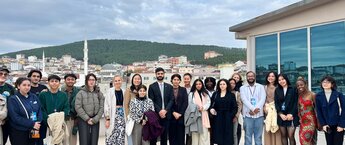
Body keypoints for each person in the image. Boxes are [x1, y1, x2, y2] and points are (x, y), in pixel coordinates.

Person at [8, 77, 42, 145]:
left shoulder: (34, 96)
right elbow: (15, 117)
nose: (27, 87)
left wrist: (38, 122)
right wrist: (32, 124)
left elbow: (39, 110)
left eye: (29, 85)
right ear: (18, 86)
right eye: (24, 85)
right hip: (19, 131)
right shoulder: (13, 99)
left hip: (34, 129)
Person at [39, 75, 70, 144]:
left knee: (59, 141)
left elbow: (66, 108)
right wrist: (48, 120)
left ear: (59, 83)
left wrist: (60, 119)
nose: (54, 83)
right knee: (47, 141)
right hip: (46, 123)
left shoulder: (63, 95)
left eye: (56, 81)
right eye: (52, 81)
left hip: (60, 123)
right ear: (48, 83)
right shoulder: (43, 94)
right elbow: (41, 109)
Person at [75, 73, 105, 145]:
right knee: (84, 141)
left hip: (95, 119)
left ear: (95, 81)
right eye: (89, 80)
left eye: (93, 80)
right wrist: (87, 119)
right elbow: (78, 107)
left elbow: (102, 107)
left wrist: (95, 119)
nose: (91, 81)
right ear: (86, 81)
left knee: (94, 141)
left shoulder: (99, 93)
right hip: (83, 120)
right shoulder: (81, 93)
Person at [316, 76, 345, 145]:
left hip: (338, 125)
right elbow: (319, 112)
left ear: (332, 84)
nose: (325, 83)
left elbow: (344, 110)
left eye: (328, 82)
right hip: (327, 125)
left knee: (338, 143)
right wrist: (323, 124)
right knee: (329, 143)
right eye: (324, 82)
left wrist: (342, 125)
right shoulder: (319, 96)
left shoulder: (338, 95)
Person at [148, 67, 174, 145]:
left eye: (161, 74)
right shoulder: (152, 86)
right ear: (155, 75)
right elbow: (151, 101)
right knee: (154, 137)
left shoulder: (169, 86)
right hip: (156, 115)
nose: (160, 75)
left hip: (166, 115)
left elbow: (171, 100)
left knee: (164, 137)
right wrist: (159, 111)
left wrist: (165, 110)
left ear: (164, 75)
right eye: (158, 74)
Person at [240, 71, 266, 145]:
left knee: (258, 136)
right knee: (248, 136)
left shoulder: (261, 87)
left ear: (254, 77)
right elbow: (244, 99)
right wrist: (253, 109)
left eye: (252, 76)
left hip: (259, 115)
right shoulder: (242, 88)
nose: (250, 77)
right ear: (246, 77)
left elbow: (263, 99)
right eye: (249, 76)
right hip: (248, 115)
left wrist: (256, 109)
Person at [210, 79, 237, 145]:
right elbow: (211, 105)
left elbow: (235, 107)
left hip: (227, 117)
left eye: (224, 84)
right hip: (217, 117)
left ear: (227, 85)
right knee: (218, 135)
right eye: (220, 84)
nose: (222, 86)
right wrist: (212, 109)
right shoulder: (215, 94)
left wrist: (230, 116)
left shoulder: (231, 95)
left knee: (227, 135)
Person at [274, 73, 299, 145]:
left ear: (286, 79)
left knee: (291, 136)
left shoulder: (293, 89)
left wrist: (291, 114)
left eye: (283, 79)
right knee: (283, 135)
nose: (281, 81)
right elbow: (276, 103)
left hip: (292, 116)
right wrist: (280, 114)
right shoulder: (277, 90)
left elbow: (296, 103)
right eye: (279, 80)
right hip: (282, 116)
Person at [188, 79, 211, 145]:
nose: (198, 85)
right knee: (195, 135)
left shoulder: (205, 93)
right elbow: (190, 104)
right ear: (194, 85)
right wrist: (196, 108)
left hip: (204, 115)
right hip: (195, 115)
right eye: (196, 84)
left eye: (200, 84)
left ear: (202, 85)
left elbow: (208, 102)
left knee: (204, 134)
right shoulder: (191, 94)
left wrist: (203, 107)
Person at [104, 75, 125, 145]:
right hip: (112, 116)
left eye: (119, 80)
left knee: (120, 137)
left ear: (122, 81)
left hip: (122, 118)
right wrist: (107, 119)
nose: (117, 82)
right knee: (110, 137)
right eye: (115, 81)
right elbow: (106, 105)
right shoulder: (110, 91)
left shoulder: (124, 91)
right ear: (113, 82)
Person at [297, 77, 318, 145]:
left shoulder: (312, 94)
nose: (300, 86)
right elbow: (299, 108)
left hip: (311, 121)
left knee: (306, 139)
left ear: (306, 84)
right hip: (302, 121)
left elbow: (317, 109)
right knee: (302, 139)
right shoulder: (299, 95)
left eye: (301, 84)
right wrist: (299, 118)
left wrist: (319, 122)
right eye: (298, 85)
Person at [263, 71, 282, 145]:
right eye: (269, 76)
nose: (270, 78)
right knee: (268, 128)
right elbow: (262, 99)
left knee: (276, 129)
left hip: (276, 110)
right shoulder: (264, 87)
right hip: (267, 111)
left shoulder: (279, 87)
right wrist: (264, 108)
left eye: (273, 76)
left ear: (275, 78)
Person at [169, 74, 188, 145]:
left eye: (177, 80)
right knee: (172, 136)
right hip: (171, 115)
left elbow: (185, 102)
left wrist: (180, 113)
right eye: (174, 80)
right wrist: (173, 112)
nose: (176, 81)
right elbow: (167, 102)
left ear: (180, 81)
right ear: (171, 81)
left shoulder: (183, 89)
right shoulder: (168, 89)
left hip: (181, 116)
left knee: (181, 136)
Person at [61, 73, 79, 145]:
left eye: (72, 79)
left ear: (75, 81)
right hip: (63, 118)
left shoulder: (78, 91)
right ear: (65, 81)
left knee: (73, 139)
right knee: (63, 139)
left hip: (73, 118)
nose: (70, 81)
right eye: (68, 79)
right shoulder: (60, 91)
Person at [0, 66, 15, 144]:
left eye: (5, 74)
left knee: (4, 140)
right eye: (1, 73)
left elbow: (14, 102)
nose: (3, 76)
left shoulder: (10, 88)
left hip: (6, 120)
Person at [229, 78, 243, 145]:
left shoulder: (237, 93)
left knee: (234, 134)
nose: (232, 85)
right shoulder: (223, 92)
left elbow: (239, 105)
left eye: (234, 83)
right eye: (230, 83)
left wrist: (236, 116)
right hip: (226, 116)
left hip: (235, 116)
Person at [183, 73, 193, 145]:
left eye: (188, 79)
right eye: (185, 79)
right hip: (182, 113)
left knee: (190, 133)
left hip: (191, 113)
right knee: (182, 132)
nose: (186, 80)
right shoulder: (181, 88)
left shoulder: (193, 89)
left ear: (190, 79)